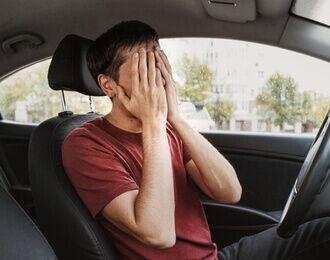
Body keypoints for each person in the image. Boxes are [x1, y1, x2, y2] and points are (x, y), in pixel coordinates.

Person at [62, 21, 330, 259]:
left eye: (160, 64)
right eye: (145, 68)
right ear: (109, 86)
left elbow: (229, 192)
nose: (159, 78)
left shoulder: (168, 129)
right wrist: (154, 122)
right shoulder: (85, 144)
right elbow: (158, 234)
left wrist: (176, 118)